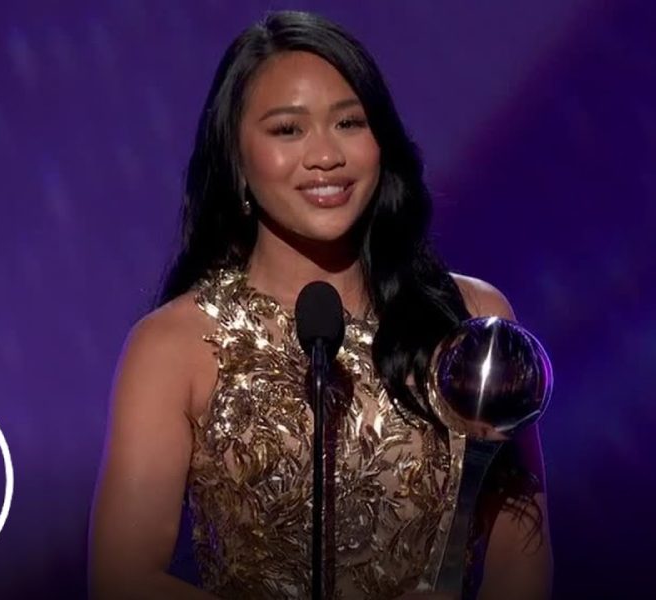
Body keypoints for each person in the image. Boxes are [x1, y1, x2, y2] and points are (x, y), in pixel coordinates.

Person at [89, 10, 551, 600]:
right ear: (236, 160)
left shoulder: (469, 320)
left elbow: (521, 550)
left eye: (349, 123)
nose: (326, 156)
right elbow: (123, 579)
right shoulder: (174, 346)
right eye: (288, 130)